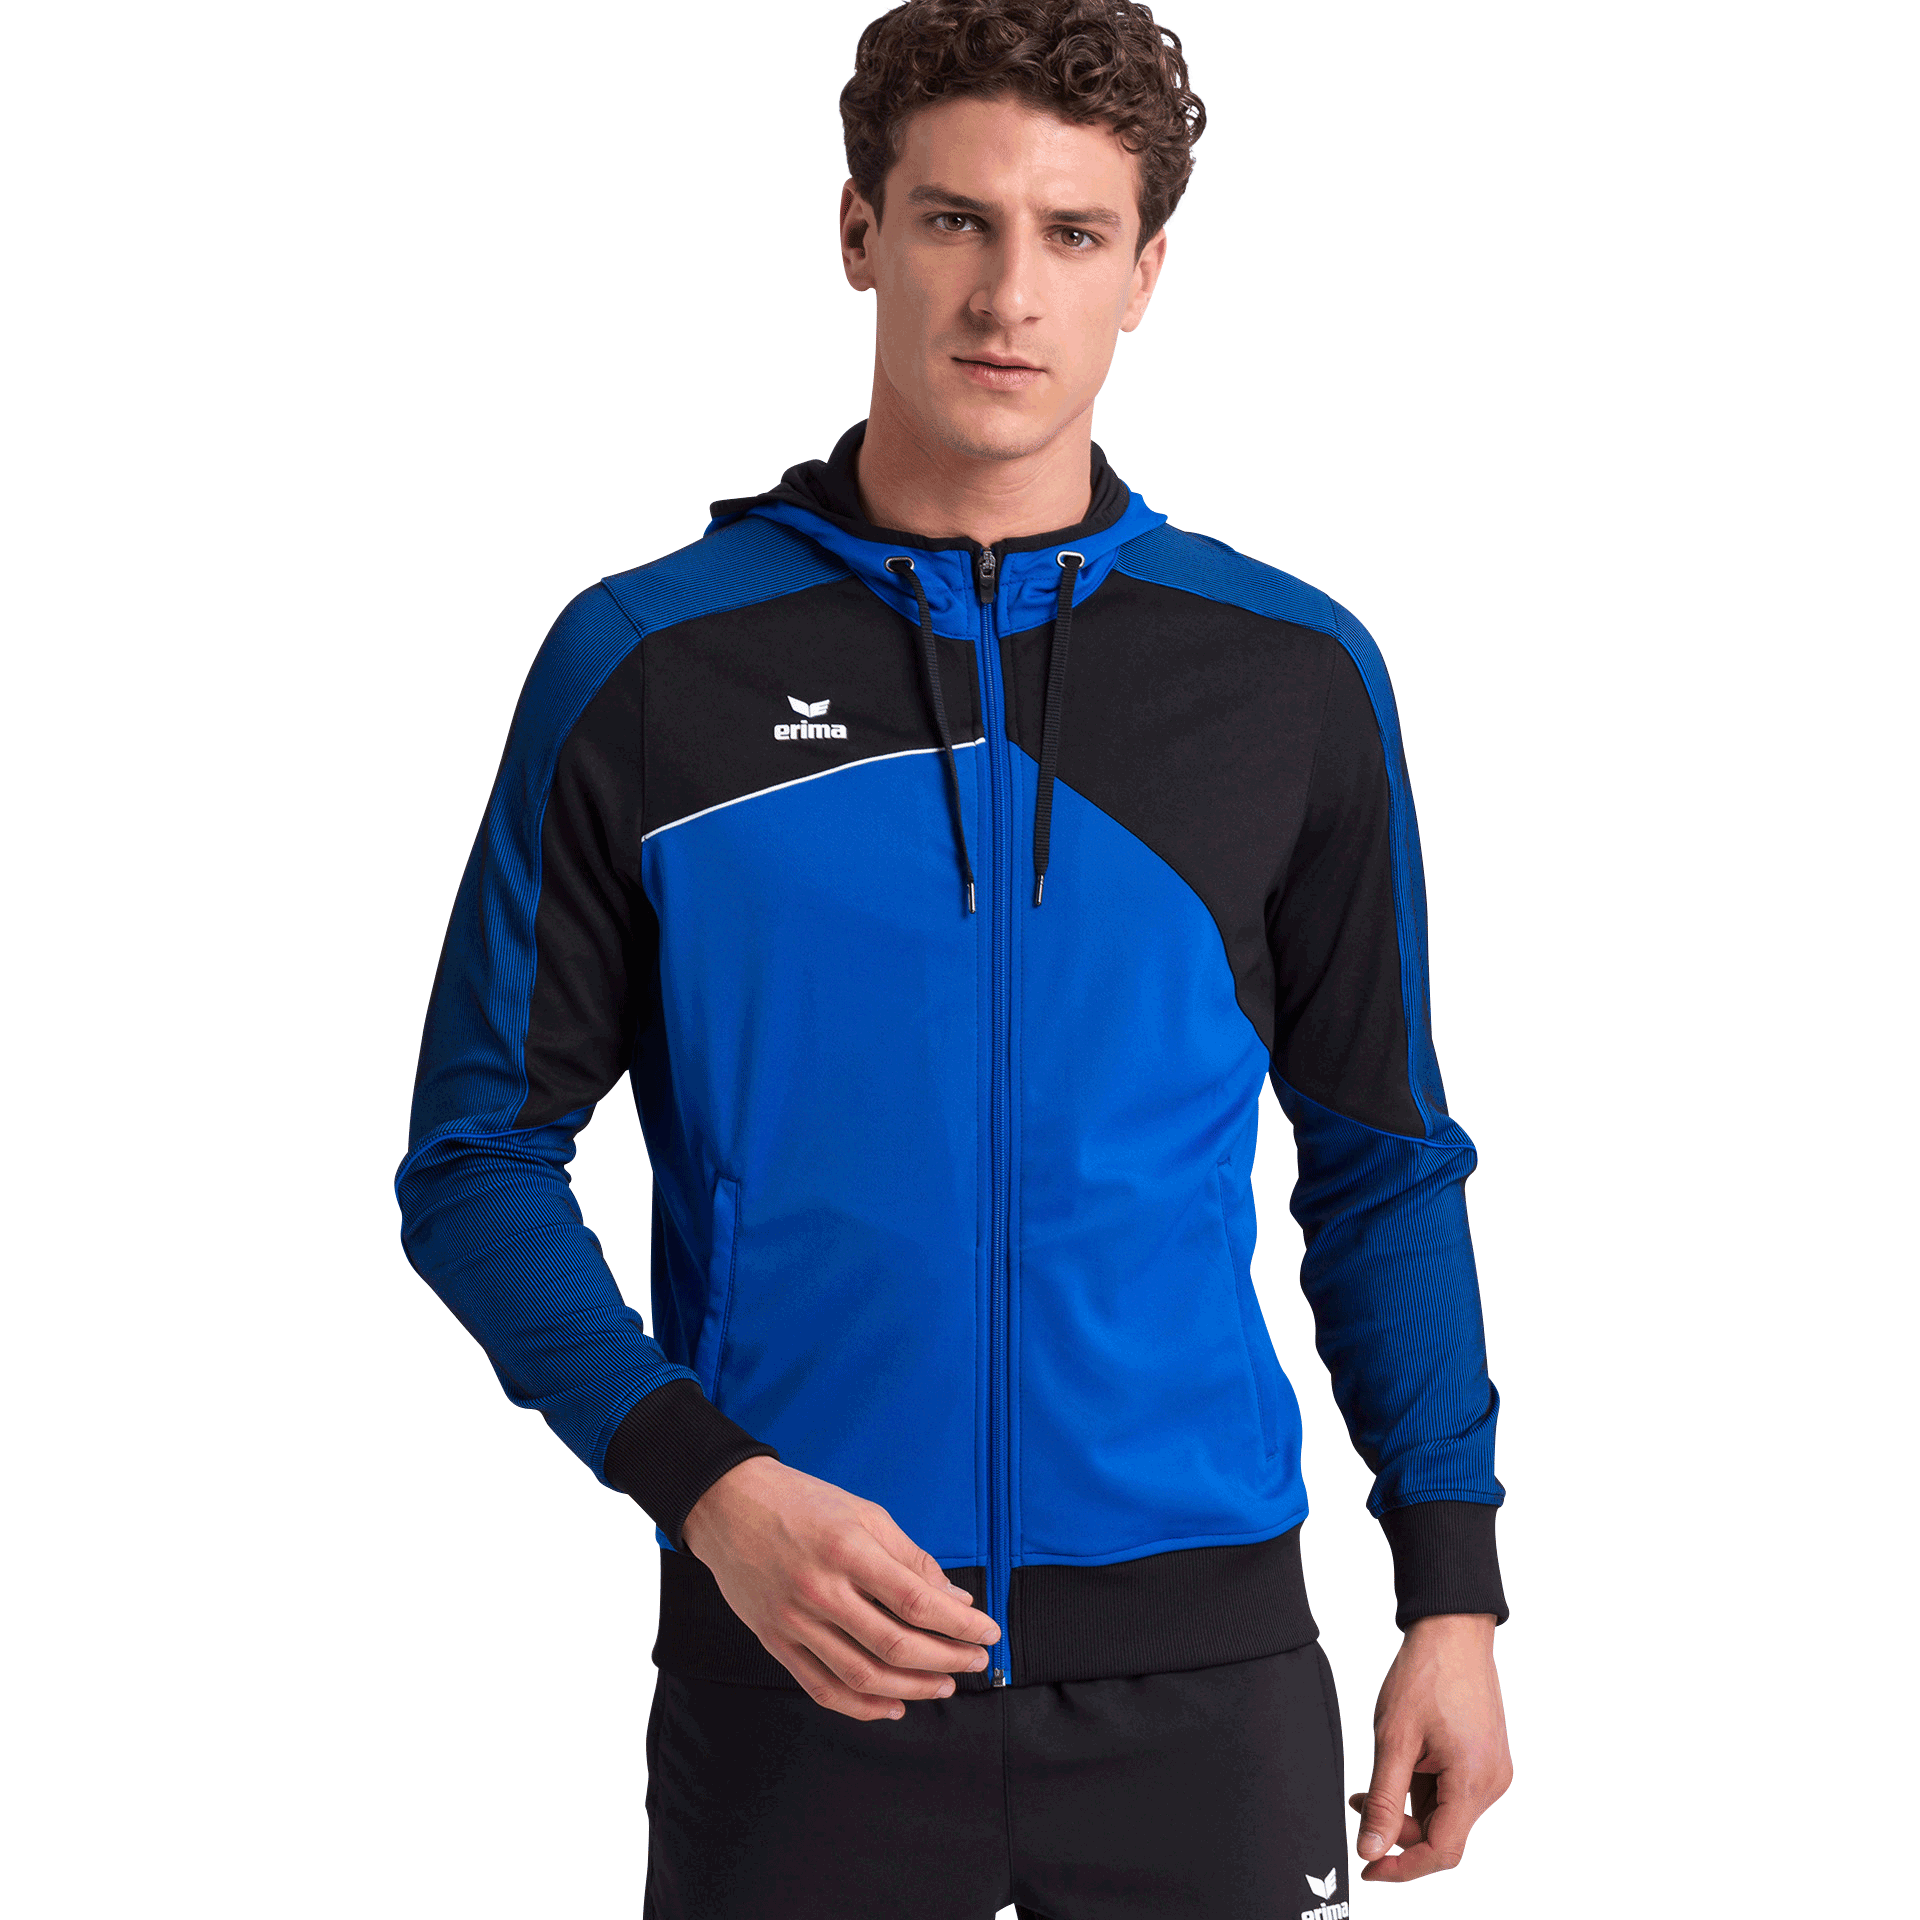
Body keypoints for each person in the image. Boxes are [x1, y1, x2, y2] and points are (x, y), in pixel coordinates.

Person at [395, 2, 1513, 1913]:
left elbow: (1383, 1162)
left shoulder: (1287, 677)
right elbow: (475, 1163)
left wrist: (1453, 1590)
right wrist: (704, 1481)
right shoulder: (651, 668)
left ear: (1145, 273)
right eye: (954, 221)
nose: (1009, 293)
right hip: (798, 1648)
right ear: (860, 232)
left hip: (1205, 1674)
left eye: (1074, 233)